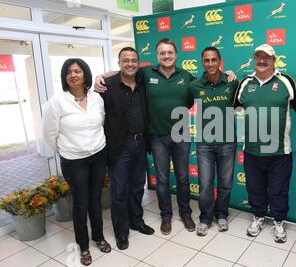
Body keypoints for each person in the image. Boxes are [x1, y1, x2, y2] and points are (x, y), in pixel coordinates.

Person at [95, 38, 236, 236]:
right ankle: (166, 216)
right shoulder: (145, 72)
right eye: (162, 53)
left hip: (181, 134)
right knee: (161, 180)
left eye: (170, 53)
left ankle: (186, 214)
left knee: (183, 178)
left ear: (176, 55)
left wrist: (229, 73)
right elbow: (123, 73)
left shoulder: (187, 76)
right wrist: (100, 76)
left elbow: (210, 81)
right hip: (157, 136)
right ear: (157, 56)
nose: (167, 56)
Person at [42, 58, 111, 266]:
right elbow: (49, 134)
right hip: (74, 160)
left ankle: (98, 237)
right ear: (65, 77)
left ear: (85, 74)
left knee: (95, 198)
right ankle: (83, 246)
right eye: (69, 72)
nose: (74, 75)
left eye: (78, 71)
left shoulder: (96, 98)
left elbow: (102, 122)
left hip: (98, 155)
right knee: (81, 202)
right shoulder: (56, 102)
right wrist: (66, 150)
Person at [233, 44, 296, 243]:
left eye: (267, 58)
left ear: (274, 60)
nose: (262, 61)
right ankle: (258, 217)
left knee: (279, 189)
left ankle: (279, 221)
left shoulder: (286, 81)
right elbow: (233, 107)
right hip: (252, 150)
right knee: (255, 188)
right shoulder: (245, 82)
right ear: (254, 59)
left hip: (280, 151)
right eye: (258, 57)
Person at [100, 47, 154, 251]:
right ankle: (121, 233)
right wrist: (99, 76)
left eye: (133, 60)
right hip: (119, 147)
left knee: (137, 187)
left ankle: (136, 222)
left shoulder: (143, 83)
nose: (130, 64)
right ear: (119, 63)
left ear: (138, 63)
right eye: (126, 60)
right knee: (119, 191)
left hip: (141, 144)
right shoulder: (107, 86)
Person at [188, 47, 238, 236]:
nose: (210, 64)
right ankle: (205, 218)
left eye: (214, 60)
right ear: (202, 62)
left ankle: (222, 214)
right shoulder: (194, 86)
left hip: (227, 142)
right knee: (206, 184)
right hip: (205, 144)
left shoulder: (232, 82)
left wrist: (232, 74)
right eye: (206, 60)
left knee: (225, 183)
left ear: (220, 61)